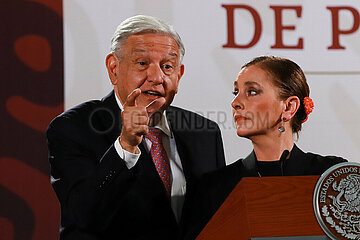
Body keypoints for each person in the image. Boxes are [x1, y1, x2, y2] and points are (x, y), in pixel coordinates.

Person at [46, 15, 225, 240]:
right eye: (142, 64)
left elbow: (219, 219)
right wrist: (125, 146)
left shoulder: (204, 132)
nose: (157, 77)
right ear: (114, 68)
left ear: (178, 75)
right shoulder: (73, 127)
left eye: (167, 66)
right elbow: (84, 216)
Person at [182, 56, 347, 239]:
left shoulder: (332, 177)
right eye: (236, 91)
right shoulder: (213, 187)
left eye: (252, 92)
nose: (235, 102)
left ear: (289, 107)